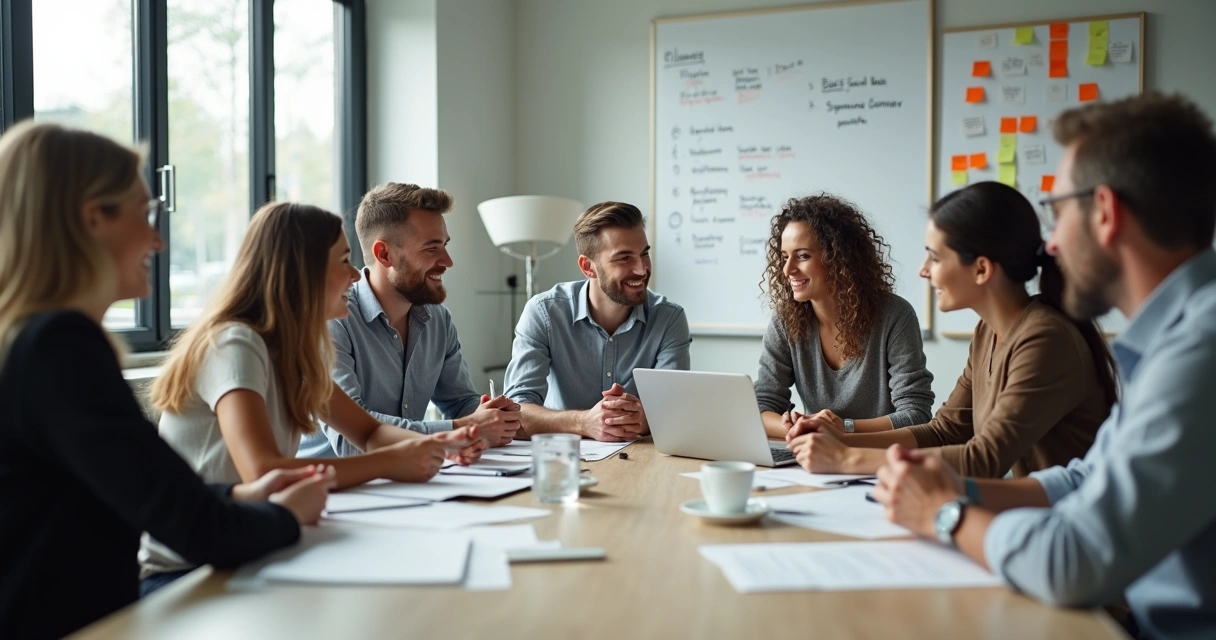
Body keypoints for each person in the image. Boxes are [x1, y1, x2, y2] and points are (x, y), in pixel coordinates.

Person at [874, 92, 1216, 639]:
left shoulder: (1202, 350)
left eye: (1058, 212)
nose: (1051, 244)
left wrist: (945, 515)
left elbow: (1072, 561)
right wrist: (957, 491)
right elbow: (1086, 478)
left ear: (1104, 212)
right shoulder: (1176, 339)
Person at [0, 122, 331, 638]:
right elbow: (197, 530)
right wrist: (286, 515)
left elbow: (147, 492)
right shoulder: (59, 347)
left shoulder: (32, 341)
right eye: (145, 213)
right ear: (93, 220)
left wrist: (242, 497)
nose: (157, 238)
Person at [142, 201, 481, 594]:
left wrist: (441, 443)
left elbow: (369, 432)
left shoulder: (292, 353)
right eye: (343, 261)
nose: (356, 276)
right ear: (302, 272)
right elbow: (265, 472)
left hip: (250, 549)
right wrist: (392, 462)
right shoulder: (234, 342)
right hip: (188, 573)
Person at [790, 182, 1116, 478]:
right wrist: (843, 437)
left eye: (934, 258)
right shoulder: (989, 331)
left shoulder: (1045, 340)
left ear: (981, 269)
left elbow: (984, 458)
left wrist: (847, 459)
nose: (923, 270)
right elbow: (945, 431)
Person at [299, 183, 520, 459]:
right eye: (431, 248)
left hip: (408, 478)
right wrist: (458, 431)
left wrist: (488, 417)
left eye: (445, 246)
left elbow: (460, 402)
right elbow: (350, 444)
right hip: (335, 492)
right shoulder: (332, 321)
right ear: (384, 254)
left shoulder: (438, 319)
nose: (447, 261)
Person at [504, 201, 691, 442]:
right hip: (562, 459)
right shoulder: (544, 313)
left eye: (644, 253)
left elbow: (673, 412)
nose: (642, 269)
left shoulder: (669, 319)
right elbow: (516, 413)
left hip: (637, 457)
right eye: (624, 258)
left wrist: (640, 420)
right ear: (588, 267)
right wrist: (583, 422)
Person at [756, 194, 934, 441]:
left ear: (838, 258)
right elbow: (762, 406)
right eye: (785, 257)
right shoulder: (785, 321)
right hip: (817, 456)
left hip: (881, 458)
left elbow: (916, 413)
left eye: (803, 256)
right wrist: (803, 429)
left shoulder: (894, 316)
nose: (787, 270)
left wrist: (843, 428)